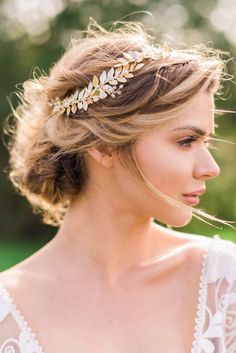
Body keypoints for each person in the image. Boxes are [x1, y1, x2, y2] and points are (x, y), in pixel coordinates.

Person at [0, 19, 236, 353]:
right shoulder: (7, 312)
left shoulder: (225, 283)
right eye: (186, 141)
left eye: (205, 142)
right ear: (104, 145)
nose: (210, 168)